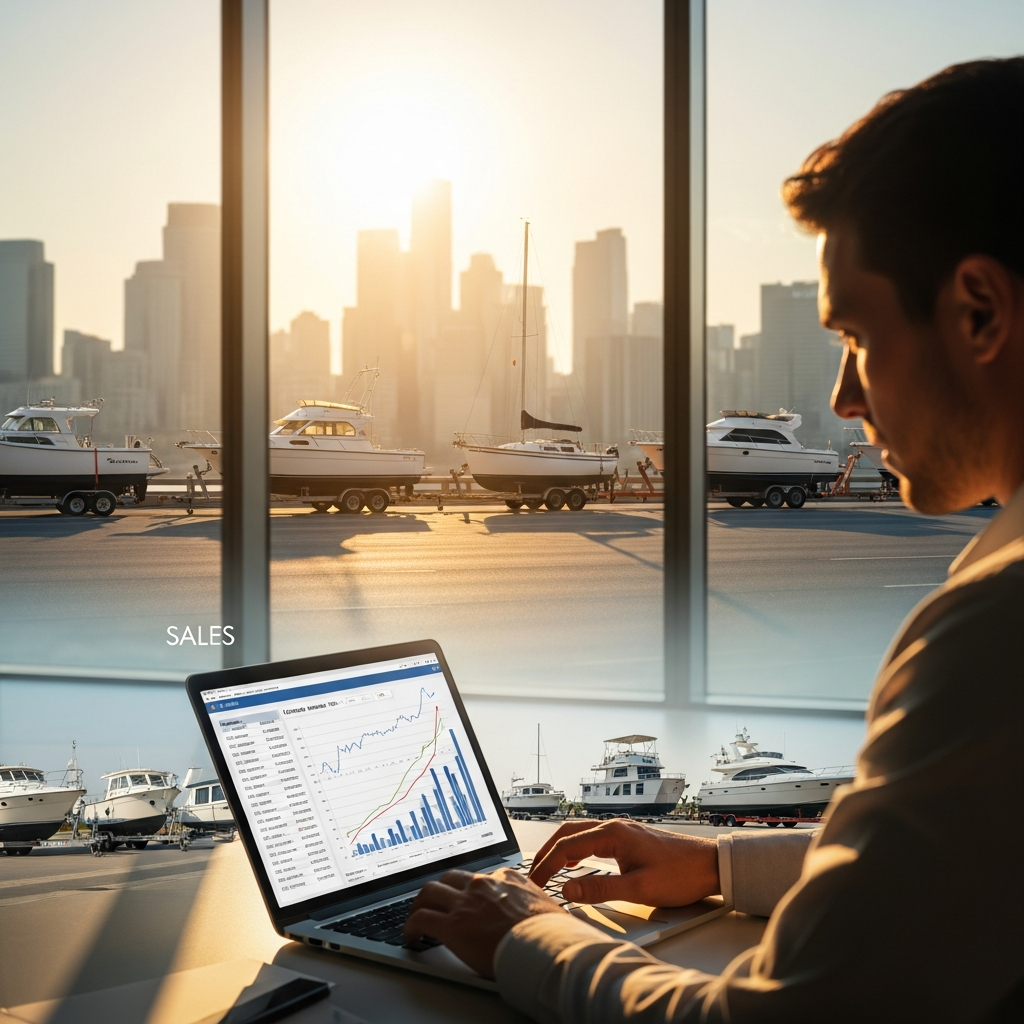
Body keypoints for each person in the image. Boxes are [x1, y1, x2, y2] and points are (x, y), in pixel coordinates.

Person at [403, 58, 1024, 1021]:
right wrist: (723, 862)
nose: (843, 400)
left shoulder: (996, 628)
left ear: (978, 312)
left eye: (855, 336)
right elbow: (971, 850)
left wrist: (528, 933)